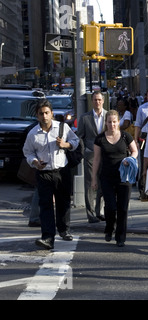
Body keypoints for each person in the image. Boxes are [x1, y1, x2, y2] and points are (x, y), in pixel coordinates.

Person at [23, 99, 80, 250]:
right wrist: (35, 162)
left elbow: (76, 141)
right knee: (45, 205)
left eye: (47, 113)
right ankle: (47, 237)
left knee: (63, 202)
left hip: (62, 171)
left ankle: (63, 229)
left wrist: (66, 144)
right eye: (41, 114)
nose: (44, 116)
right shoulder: (33, 134)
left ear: (52, 114)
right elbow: (27, 152)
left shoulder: (63, 127)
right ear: (37, 116)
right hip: (44, 173)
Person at [91, 110, 139, 247]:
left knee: (122, 208)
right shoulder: (100, 139)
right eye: (109, 122)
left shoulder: (125, 136)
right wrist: (94, 179)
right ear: (106, 123)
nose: (112, 124)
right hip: (107, 177)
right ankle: (109, 228)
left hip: (124, 177)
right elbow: (96, 159)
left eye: (114, 122)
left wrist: (130, 159)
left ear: (118, 122)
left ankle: (120, 237)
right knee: (111, 207)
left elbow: (135, 151)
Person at [76, 91, 107, 223]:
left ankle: (99, 211)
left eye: (99, 100)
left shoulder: (109, 116)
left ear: (103, 101)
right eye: (95, 100)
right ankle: (91, 214)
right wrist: (84, 152)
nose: (97, 102)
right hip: (90, 154)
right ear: (92, 101)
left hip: (106, 155)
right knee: (89, 184)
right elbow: (80, 136)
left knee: (103, 184)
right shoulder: (85, 117)